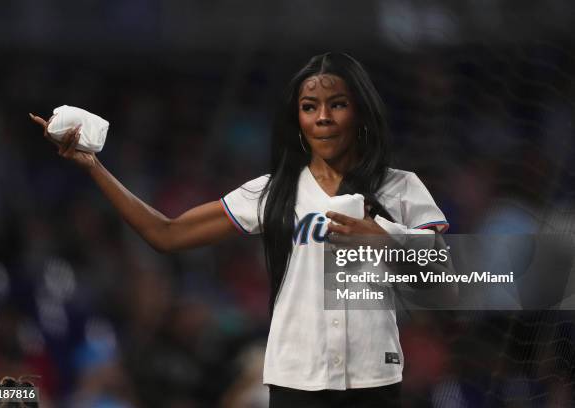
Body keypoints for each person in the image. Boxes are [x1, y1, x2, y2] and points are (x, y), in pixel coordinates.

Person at [30, 52, 449, 408]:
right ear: (297, 118)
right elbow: (166, 234)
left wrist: (386, 238)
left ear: (359, 110)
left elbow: (444, 271)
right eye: (309, 106)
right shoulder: (272, 191)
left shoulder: (400, 187)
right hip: (296, 377)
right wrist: (94, 167)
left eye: (337, 104)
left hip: (373, 376)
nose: (322, 116)